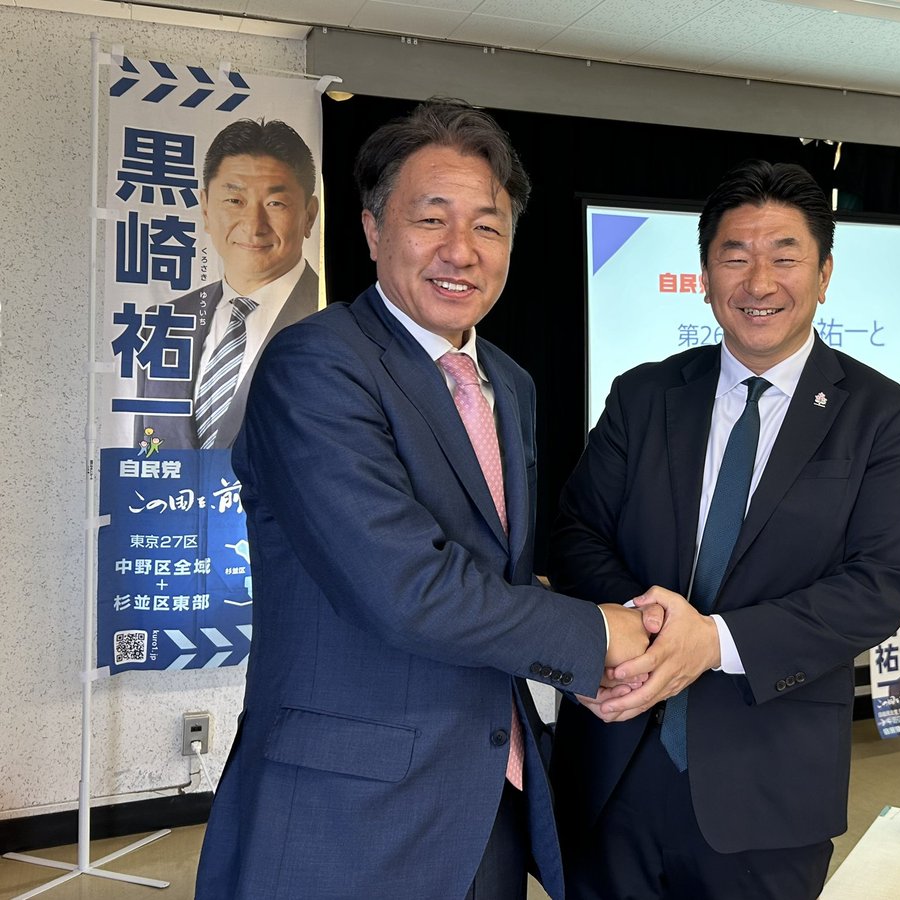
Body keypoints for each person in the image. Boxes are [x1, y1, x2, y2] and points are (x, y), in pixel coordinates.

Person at [194, 99, 655, 900]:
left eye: (488, 226)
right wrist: (598, 632)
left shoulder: (508, 382)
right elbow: (409, 590)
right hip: (346, 812)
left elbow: (492, 576)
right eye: (431, 219)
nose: (461, 251)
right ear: (372, 230)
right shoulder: (316, 366)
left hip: (487, 793)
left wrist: (571, 654)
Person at [548, 159, 900, 900]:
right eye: (736, 256)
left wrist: (712, 642)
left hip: (769, 785)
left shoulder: (883, 416)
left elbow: (878, 587)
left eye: (785, 257)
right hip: (615, 766)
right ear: (704, 276)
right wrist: (651, 628)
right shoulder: (643, 395)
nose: (759, 283)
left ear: (824, 275)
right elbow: (576, 534)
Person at [136, 118, 320, 449]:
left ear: (309, 215)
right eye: (234, 201)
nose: (254, 225)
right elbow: (147, 451)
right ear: (206, 209)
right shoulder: (164, 323)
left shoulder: (335, 318)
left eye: (275, 203)